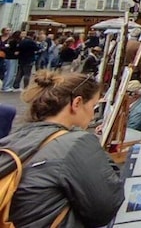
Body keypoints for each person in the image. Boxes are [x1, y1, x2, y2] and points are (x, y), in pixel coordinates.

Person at [0, 71, 124, 226]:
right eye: (93, 106)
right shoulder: (76, 143)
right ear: (77, 103)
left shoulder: (17, 137)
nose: (93, 116)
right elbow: (106, 207)